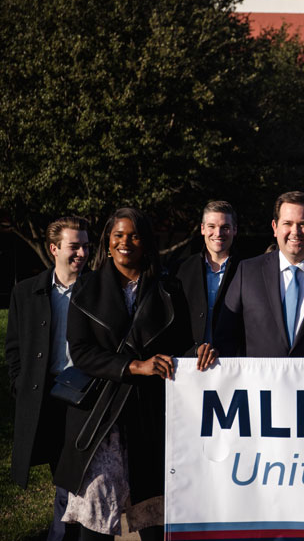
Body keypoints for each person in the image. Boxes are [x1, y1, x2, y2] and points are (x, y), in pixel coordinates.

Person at [53, 208, 212, 540]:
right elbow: (80, 351)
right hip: (100, 421)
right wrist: (132, 366)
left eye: (134, 235)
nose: (126, 242)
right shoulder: (87, 287)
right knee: (95, 528)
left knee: (153, 523)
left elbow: (181, 344)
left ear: (147, 243)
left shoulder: (168, 289)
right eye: (118, 235)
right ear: (108, 243)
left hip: (150, 418)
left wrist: (194, 354)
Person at [7, 216, 90, 541]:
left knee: (83, 478)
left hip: (87, 398)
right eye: (74, 246)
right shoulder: (26, 292)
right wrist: (21, 386)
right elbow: (14, 348)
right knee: (61, 476)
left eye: (85, 245)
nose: (81, 253)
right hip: (49, 397)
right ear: (54, 248)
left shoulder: (97, 288)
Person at [215, 191, 304, 357]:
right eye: (287, 223)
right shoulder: (248, 272)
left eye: (303, 224)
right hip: (259, 381)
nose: (295, 232)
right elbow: (226, 336)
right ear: (275, 227)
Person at [175, 200, 240, 350]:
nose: (218, 233)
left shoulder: (247, 270)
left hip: (232, 364)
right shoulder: (180, 270)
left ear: (235, 230)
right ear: (203, 229)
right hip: (189, 363)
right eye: (212, 226)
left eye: (225, 227)